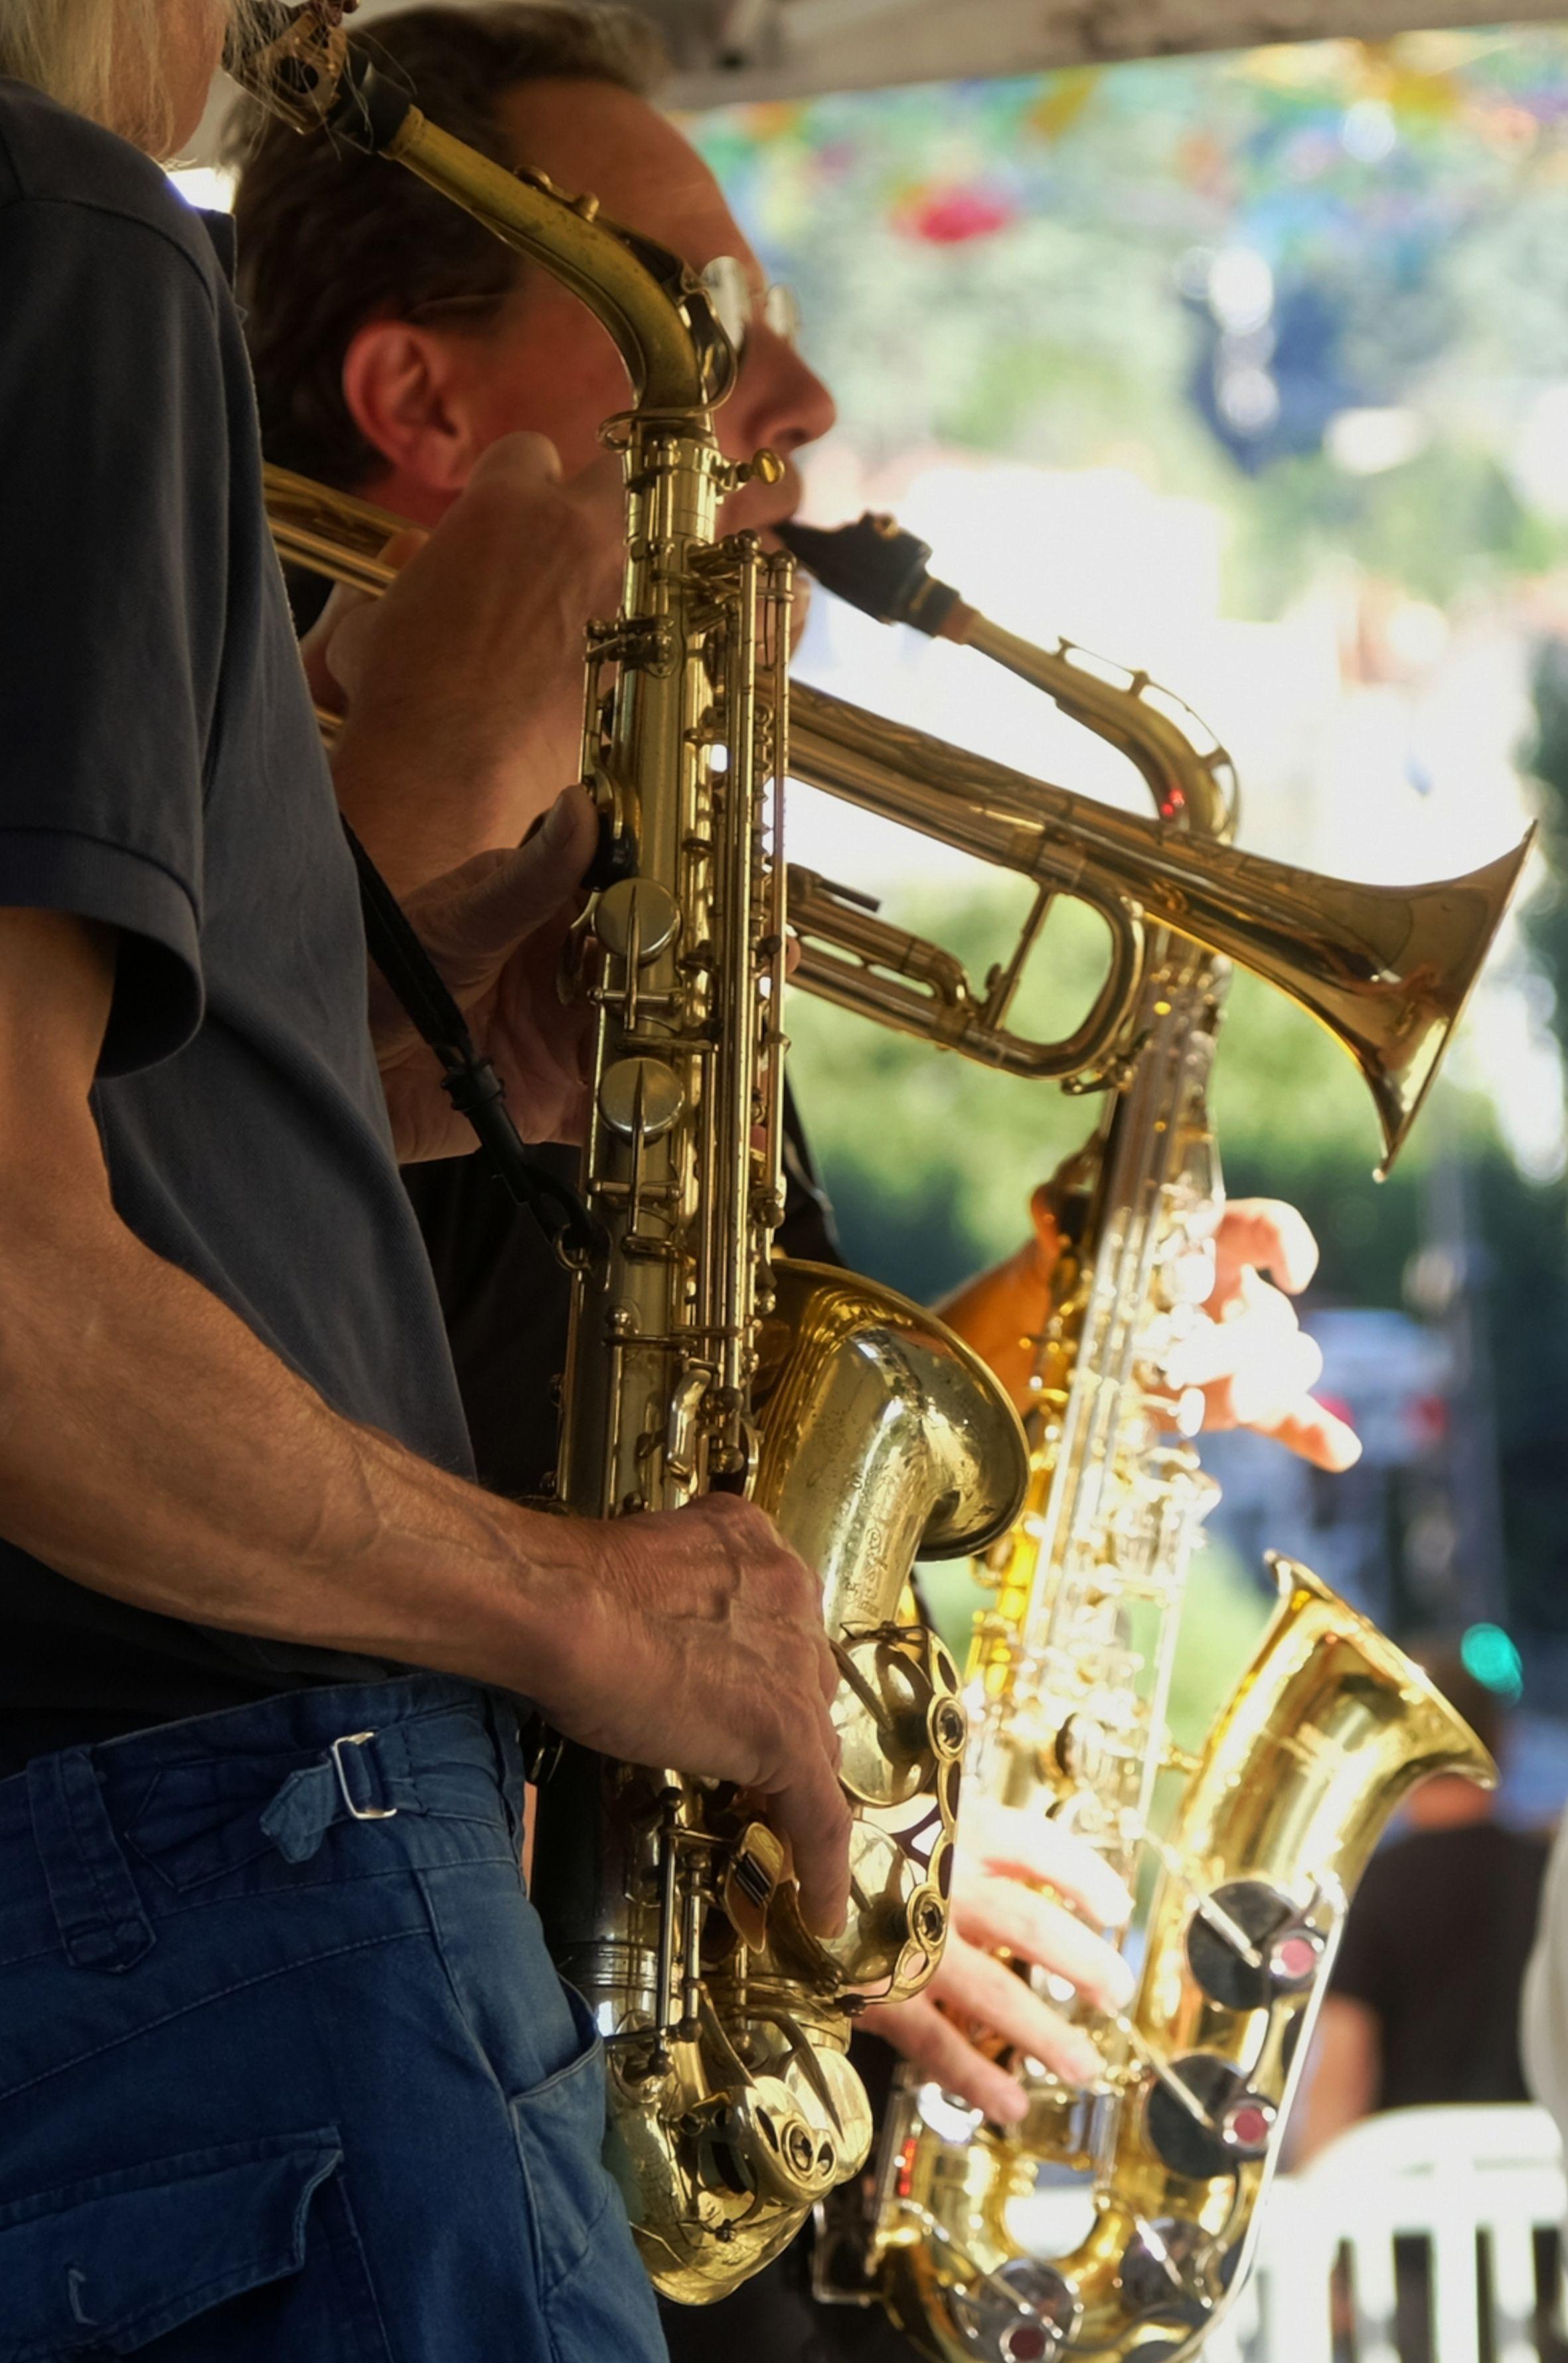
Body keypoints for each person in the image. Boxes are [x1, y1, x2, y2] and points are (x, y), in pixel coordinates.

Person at [226, 9, 1362, 2352]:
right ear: (423, 411)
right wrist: (847, 1893)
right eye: (705, 328)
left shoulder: (624, 863)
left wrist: (1072, 1308)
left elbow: (726, 1447)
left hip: (721, 2199)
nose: (806, 402)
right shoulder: (262, 885)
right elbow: (278, 1665)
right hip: (501, 2178)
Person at [0, 5, 854, 2356]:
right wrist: (580, 1607)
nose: (790, 403)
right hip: (229, 1896)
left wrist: (396, 1028)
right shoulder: (66, 245)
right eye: (693, 329)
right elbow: (17, 1292)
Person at [1297, 1651, 1547, 2162]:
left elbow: (1345, 2069)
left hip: (1405, 2222)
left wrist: (1307, 2197)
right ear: (1503, 1742)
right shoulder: (1550, 1875)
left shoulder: (1370, 1889)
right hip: (1551, 2211)